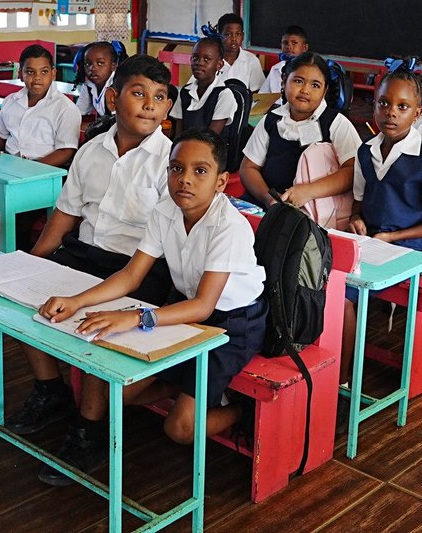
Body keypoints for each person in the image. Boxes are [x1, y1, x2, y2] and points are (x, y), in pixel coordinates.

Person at [37, 129, 266, 483]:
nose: (185, 179)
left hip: (232, 325)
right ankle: (186, 383)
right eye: (176, 168)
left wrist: (136, 317)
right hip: (183, 312)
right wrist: (76, 301)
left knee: (180, 429)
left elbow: (205, 307)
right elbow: (131, 275)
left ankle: (241, 412)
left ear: (222, 181)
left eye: (200, 171)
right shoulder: (165, 211)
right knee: (120, 397)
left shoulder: (229, 227)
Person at [5, 55, 174, 444]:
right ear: (113, 99)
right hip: (85, 253)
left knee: (98, 327)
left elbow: (162, 247)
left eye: (160, 96)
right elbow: (64, 217)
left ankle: (91, 428)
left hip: (139, 268)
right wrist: (26, 266)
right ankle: (51, 390)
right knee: (23, 300)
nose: (150, 104)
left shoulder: (171, 163)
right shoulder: (90, 150)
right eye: (138, 93)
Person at [343, 70, 422, 381]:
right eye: (383, 103)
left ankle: (342, 377)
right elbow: (359, 200)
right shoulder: (365, 151)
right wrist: (356, 219)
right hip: (373, 243)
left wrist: (395, 236)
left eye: (403, 107)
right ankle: (334, 370)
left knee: (343, 296)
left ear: (418, 113)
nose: (391, 112)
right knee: (328, 284)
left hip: (407, 250)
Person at [0, 44, 79, 249]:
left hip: (45, 175)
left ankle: (16, 253)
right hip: (11, 170)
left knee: (19, 213)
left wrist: (34, 168)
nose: (37, 78)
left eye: (44, 72)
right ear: (21, 74)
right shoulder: (11, 101)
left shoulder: (65, 108)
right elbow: (1, 136)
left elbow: (67, 150)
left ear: (53, 74)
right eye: (30, 72)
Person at [240, 51, 360, 214]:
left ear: (325, 91)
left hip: (315, 213)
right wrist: (269, 199)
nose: (305, 90)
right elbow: (248, 167)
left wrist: (308, 191)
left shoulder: (336, 123)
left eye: (315, 85)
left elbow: (352, 171)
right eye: (298, 81)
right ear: (283, 82)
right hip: (268, 205)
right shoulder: (272, 120)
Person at [170, 36, 237, 137]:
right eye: (195, 58)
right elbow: (178, 135)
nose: (199, 63)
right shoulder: (185, 92)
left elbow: (210, 139)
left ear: (219, 65)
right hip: (184, 149)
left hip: (209, 151)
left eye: (207, 59)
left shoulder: (224, 95)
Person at [217, 12, 265, 90]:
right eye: (228, 34)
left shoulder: (251, 61)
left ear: (243, 36)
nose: (234, 39)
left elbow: (258, 92)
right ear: (220, 36)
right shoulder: (212, 59)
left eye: (238, 34)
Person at [260, 25, 309, 97]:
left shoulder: (310, 70)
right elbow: (262, 96)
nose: (289, 46)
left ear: (305, 48)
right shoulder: (275, 69)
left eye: (294, 43)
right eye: (285, 43)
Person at [75, 41, 120, 118]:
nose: (92, 68)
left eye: (100, 63)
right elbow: (78, 112)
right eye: (87, 64)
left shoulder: (118, 86)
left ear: (113, 66)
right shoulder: (89, 85)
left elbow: (117, 121)